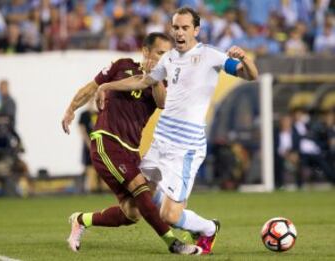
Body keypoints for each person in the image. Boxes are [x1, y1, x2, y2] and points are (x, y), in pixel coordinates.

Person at [96, 7, 259, 254]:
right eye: (176, 27)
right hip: (161, 141)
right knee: (141, 200)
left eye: (185, 28)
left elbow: (251, 76)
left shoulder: (210, 56)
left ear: (196, 30)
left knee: (169, 215)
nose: (179, 32)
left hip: (186, 147)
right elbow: (143, 80)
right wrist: (107, 86)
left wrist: (245, 59)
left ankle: (208, 228)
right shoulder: (169, 58)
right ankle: (85, 221)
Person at [62, 32, 202, 255]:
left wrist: (150, 77)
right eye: (159, 52)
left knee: (132, 212)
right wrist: (71, 108)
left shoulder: (164, 80)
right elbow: (92, 86)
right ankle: (173, 244)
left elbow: (161, 102)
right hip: (107, 141)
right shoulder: (121, 65)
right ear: (146, 51)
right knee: (141, 189)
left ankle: (81, 220)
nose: (163, 57)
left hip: (132, 149)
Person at [78, 101, 107, 193]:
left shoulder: (100, 113)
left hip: (101, 145)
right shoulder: (84, 115)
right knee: (90, 167)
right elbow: (82, 130)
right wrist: (89, 143)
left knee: (103, 166)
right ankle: (92, 187)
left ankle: (103, 187)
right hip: (89, 146)